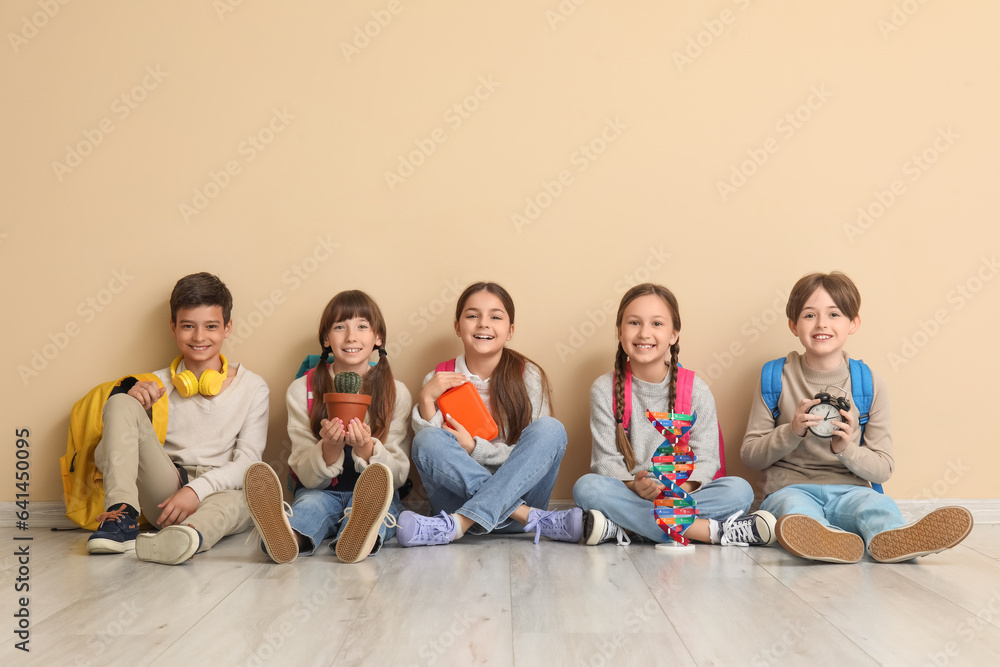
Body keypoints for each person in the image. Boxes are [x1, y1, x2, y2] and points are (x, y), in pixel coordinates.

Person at [741, 271, 973, 563]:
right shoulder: (775, 377)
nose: (822, 324)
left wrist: (846, 449)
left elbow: (883, 469)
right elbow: (750, 455)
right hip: (790, 488)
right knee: (794, 510)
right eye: (809, 315)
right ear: (793, 325)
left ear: (853, 323)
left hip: (851, 490)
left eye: (835, 314)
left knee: (877, 508)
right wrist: (792, 431)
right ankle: (823, 538)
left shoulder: (868, 384)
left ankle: (891, 537)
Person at [87, 272, 269, 564]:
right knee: (120, 399)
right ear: (173, 327)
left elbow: (248, 461)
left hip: (222, 488)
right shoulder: (151, 385)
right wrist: (135, 408)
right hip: (167, 491)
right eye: (188, 326)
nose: (199, 337)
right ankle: (122, 519)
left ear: (228, 328)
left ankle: (185, 537)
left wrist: (196, 491)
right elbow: (101, 459)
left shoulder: (253, 386)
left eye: (211, 326)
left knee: (252, 498)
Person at [574, 283, 773, 547]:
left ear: (673, 335)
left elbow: (707, 459)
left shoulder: (696, 390)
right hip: (630, 492)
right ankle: (710, 531)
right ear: (620, 332)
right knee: (587, 487)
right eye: (634, 323)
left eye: (657, 324)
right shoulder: (603, 389)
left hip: (682, 493)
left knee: (740, 490)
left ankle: (627, 528)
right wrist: (636, 486)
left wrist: (681, 489)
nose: (644, 333)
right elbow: (605, 461)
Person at [397, 282, 580, 546]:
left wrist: (474, 448)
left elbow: (534, 457)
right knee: (425, 441)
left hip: (471, 517)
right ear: (457, 326)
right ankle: (527, 516)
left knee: (551, 429)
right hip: (487, 510)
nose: (483, 324)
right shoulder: (437, 380)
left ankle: (462, 523)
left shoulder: (528, 376)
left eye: (495, 317)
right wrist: (426, 398)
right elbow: (432, 457)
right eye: (472, 316)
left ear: (510, 330)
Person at [244, 290, 411, 564]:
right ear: (325, 339)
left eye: (362, 326)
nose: (351, 337)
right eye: (339, 327)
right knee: (307, 509)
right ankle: (285, 536)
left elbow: (399, 475)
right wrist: (329, 448)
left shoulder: (396, 393)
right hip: (319, 491)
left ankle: (358, 537)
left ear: (378, 337)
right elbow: (305, 475)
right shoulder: (302, 390)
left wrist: (367, 448)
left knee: (375, 513)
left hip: (376, 496)